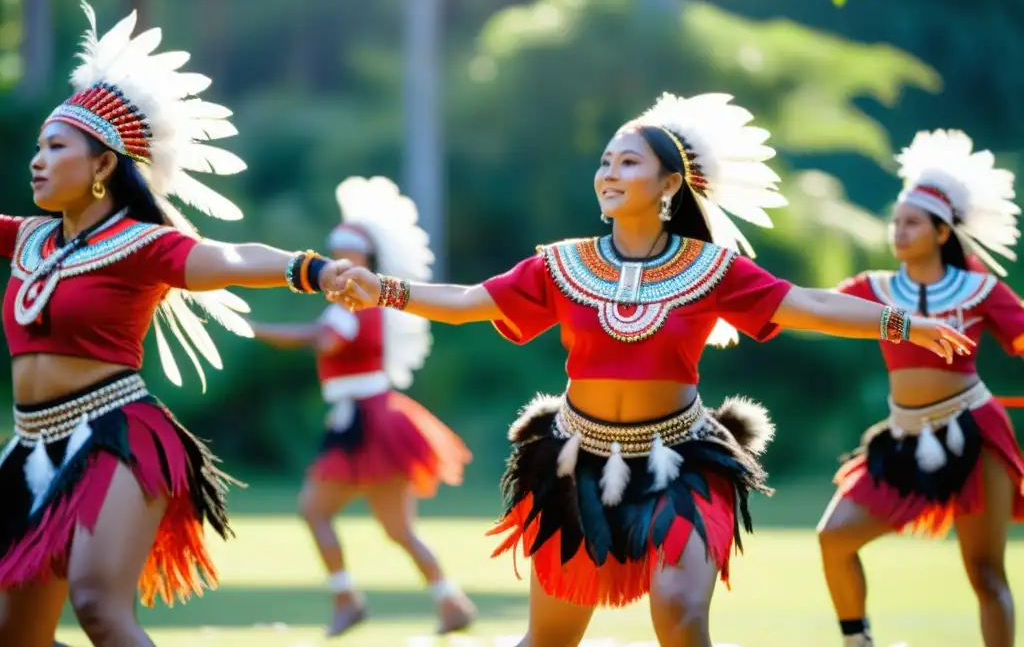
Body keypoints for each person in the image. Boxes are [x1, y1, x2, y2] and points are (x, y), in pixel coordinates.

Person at [323, 92, 974, 647]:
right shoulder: (560, 264)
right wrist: (381, 288)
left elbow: (809, 304)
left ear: (669, 185)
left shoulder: (710, 267)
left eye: (628, 161)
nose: (609, 173)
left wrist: (900, 321)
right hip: (576, 466)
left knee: (681, 614)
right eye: (604, 162)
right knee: (547, 640)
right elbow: (468, 302)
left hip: (682, 462)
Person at [0, 1, 348, 647]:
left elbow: (234, 257)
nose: (38, 160)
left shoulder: (142, 245)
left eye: (56, 146)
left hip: (114, 435)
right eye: (38, 147)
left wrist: (312, 269)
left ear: (104, 165)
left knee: (99, 606)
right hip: (30, 448)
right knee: (14, 633)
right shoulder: (26, 240)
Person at [818, 129, 1024, 647]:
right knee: (834, 537)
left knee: (984, 571)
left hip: (976, 435)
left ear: (940, 232)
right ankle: (857, 641)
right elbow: (810, 308)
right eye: (897, 221)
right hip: (905, 437)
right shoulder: (873, 288)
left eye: (912, 223)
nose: (899, 231)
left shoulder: (981, 289)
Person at [249, 176, 476, 637]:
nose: (341, 261)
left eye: (349, 254)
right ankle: (450, 601)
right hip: (374, 414)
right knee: (397, 528)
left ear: (366, 259)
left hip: (367, 419)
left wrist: (258, 329)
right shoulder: (361, 300)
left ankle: (346, 597)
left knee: (316, 509)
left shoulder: (353, 301)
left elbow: (326, 341)